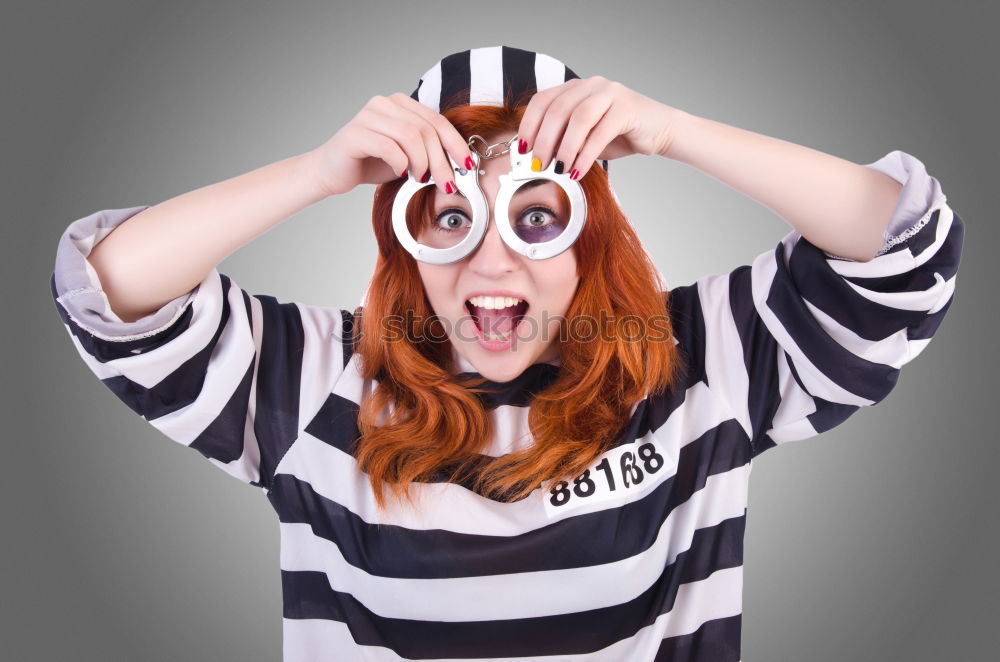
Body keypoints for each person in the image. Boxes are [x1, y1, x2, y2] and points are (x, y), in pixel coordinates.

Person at [49, 45, 964, 661]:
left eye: (538, 217)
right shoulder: (323, 376)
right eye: (451, 217)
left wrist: (671, 131)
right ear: (408, 238)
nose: (492, 259)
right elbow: (108, 292)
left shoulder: (690, 363)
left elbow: (903, 249)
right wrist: (319, 171)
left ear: (590, 235)